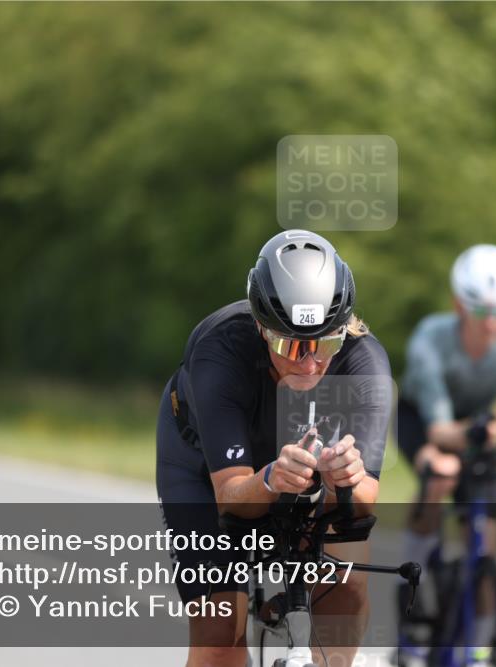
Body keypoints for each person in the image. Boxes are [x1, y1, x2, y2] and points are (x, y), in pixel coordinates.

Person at [156, 229, 392, 667]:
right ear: (263, 329)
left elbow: (362, 504)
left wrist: (349, 479)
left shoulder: (365, 363)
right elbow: (231, 499)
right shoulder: (220, 351)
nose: (309, 363)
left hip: (304, 466)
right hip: (204, 467)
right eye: (292, 346)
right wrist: (269, 478)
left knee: (349, 580)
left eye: (325, 344)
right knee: (219, 638)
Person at [396, 244, 496, 666]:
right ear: (459, 304)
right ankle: (415, 585)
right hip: (425, 420)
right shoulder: (431, 338)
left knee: (485, 547)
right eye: (483, 313)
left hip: (480, 427)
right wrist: (478, 432)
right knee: (441, 471)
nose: (494, 324)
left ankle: (478, 649)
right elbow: (440, 429)